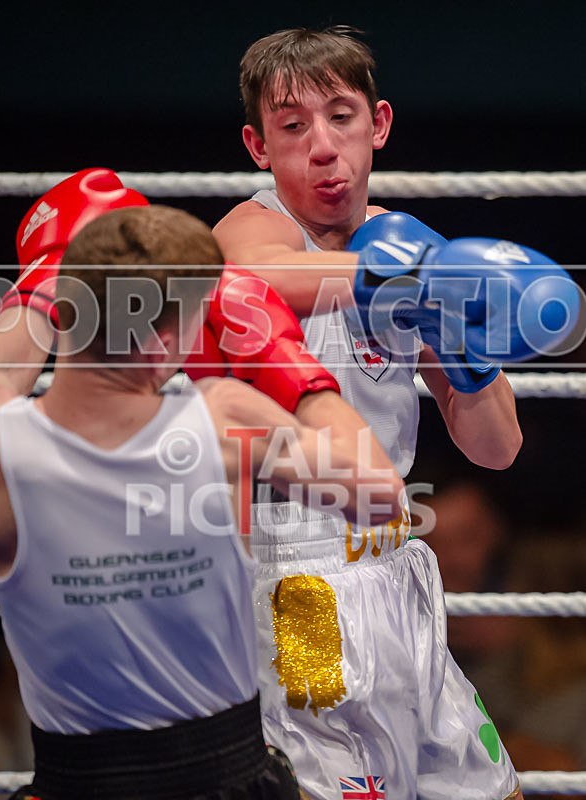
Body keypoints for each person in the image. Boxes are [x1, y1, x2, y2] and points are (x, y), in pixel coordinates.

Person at [212, 25, 577, 800]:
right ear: (257, 146)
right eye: (292, 126)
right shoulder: (258, 228)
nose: (321, 146)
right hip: (298, 587)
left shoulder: (411, 251)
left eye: (339, 117)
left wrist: (461, 343)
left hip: (399, 575)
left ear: (376, 124)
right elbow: (246, 271)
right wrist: (408, 276)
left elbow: (496, 448)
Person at [0, 169, 406, 800]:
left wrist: (50, 279)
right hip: (229, 780)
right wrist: (288, 364)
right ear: (167, 343)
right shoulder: (224, 423)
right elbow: (380, 493)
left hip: (73, 785)